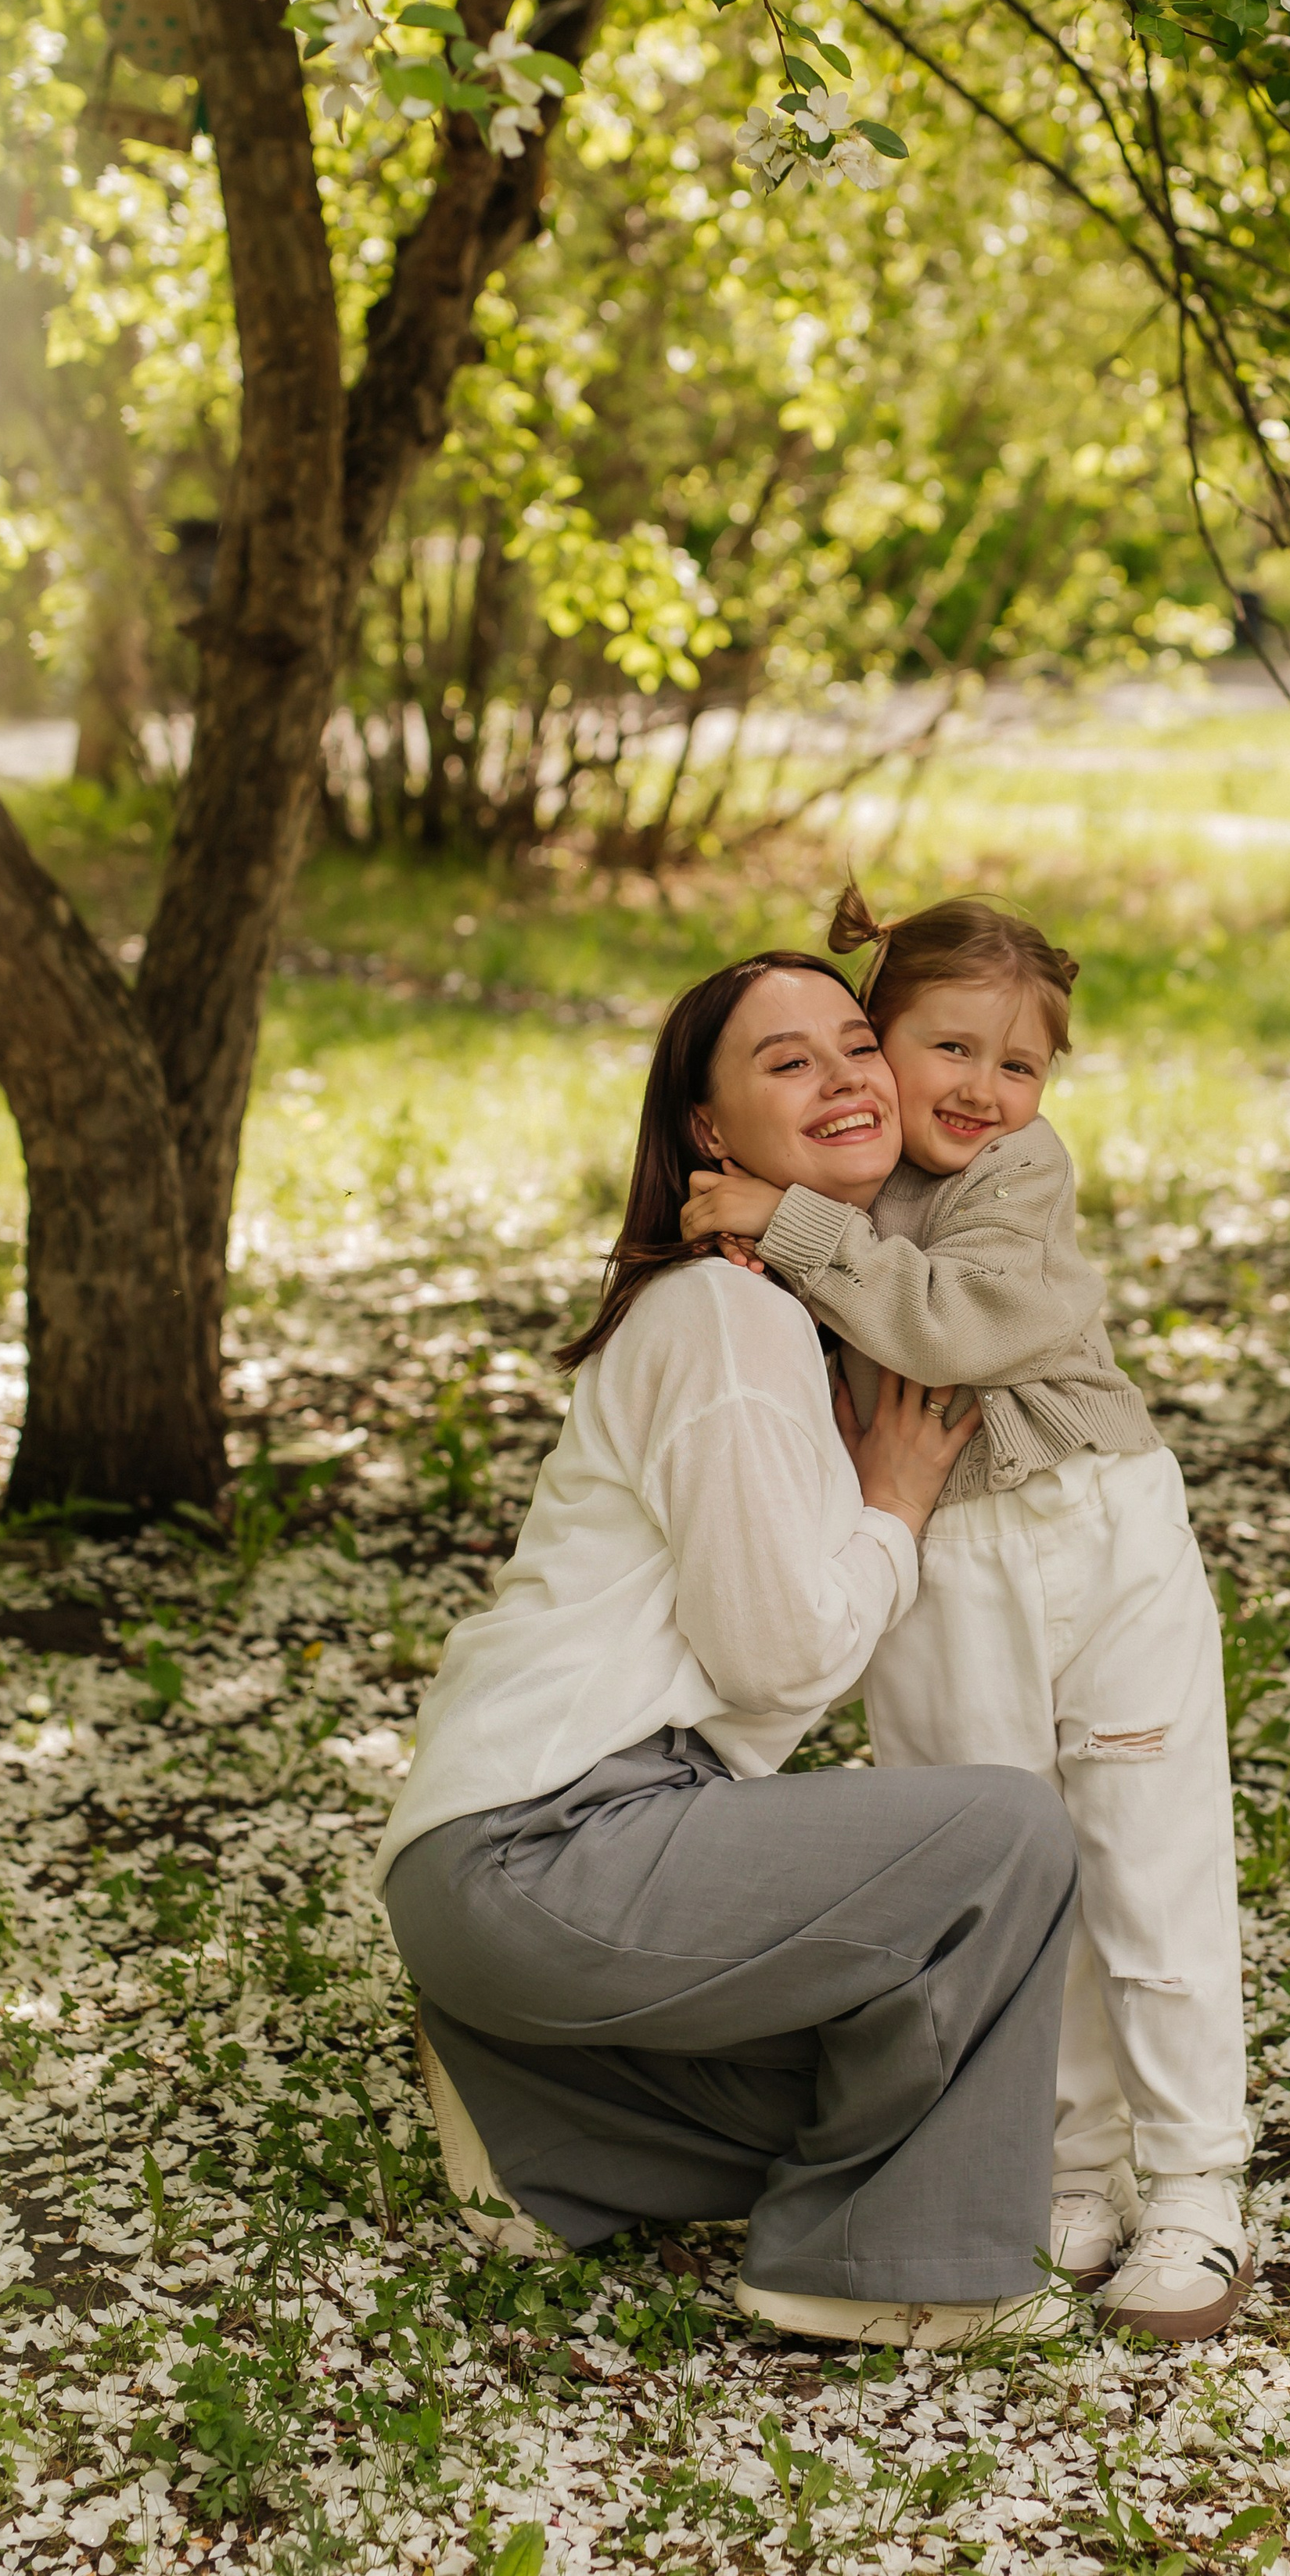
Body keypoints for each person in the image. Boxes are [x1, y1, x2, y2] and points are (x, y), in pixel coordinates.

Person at [376, 952, 1083, 2352]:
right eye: (786, 1061)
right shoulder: (726, 1314)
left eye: (854, 1045)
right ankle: (869, 2266)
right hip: (548, 1837)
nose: (844, 1078)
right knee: (1007, 1834)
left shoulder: (777, 1308)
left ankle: (539, 2123)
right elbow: (771, 1658)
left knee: (910, 2058)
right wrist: (890, 1504)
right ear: (709, 1132)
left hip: (513, 1866)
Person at [680, 885, 1252, 2341]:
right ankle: (1074, 2167)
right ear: (876, 1043)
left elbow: (957, 1324)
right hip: (932, 1561)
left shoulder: (1017, 1179)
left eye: (1023, 1064)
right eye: (949, 1050)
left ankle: (1198, 2189)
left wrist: (796, 1231)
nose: (988, 1093)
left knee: (1147, 1855)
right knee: (1009, 1870)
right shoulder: (837, 1178)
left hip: (1096, 1528)